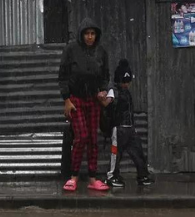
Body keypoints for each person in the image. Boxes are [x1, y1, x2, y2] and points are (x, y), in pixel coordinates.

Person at [58, 18, 111, 192]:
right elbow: (63, 76)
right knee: (81, 137)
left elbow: (105, 75)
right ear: (82, 35)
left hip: (93, 99)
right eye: (87, 34)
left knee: (93, 139)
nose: (90, 37)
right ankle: (73, 177)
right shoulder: (71, 50)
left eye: (93, 34)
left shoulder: (101, 51)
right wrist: (66, 100)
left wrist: (103, 90)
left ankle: (93, 178)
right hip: (76, 100)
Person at [103, 59, 153, 188]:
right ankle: (112, 176)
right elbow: (106, 103)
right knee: (116, 154)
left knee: (138, 153)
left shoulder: (126, 92)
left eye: (128, 82)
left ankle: (143, 175)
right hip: (119, 128)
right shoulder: (114, 90)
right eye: (124, 82)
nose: (126, 84)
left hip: (130, 128)